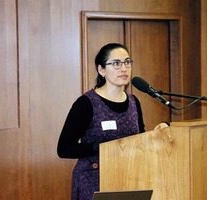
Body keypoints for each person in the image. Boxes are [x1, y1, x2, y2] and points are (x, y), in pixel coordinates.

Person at [57, 43, 146, 200]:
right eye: (116, 63)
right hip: (92, 182)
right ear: (101, 70)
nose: (124, 68)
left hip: (128, 179)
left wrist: (157, 135)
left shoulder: (134, 101)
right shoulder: (86, 103)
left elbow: (140, 139)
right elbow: (64, 148)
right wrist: (96, 148)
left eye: (127, 62)